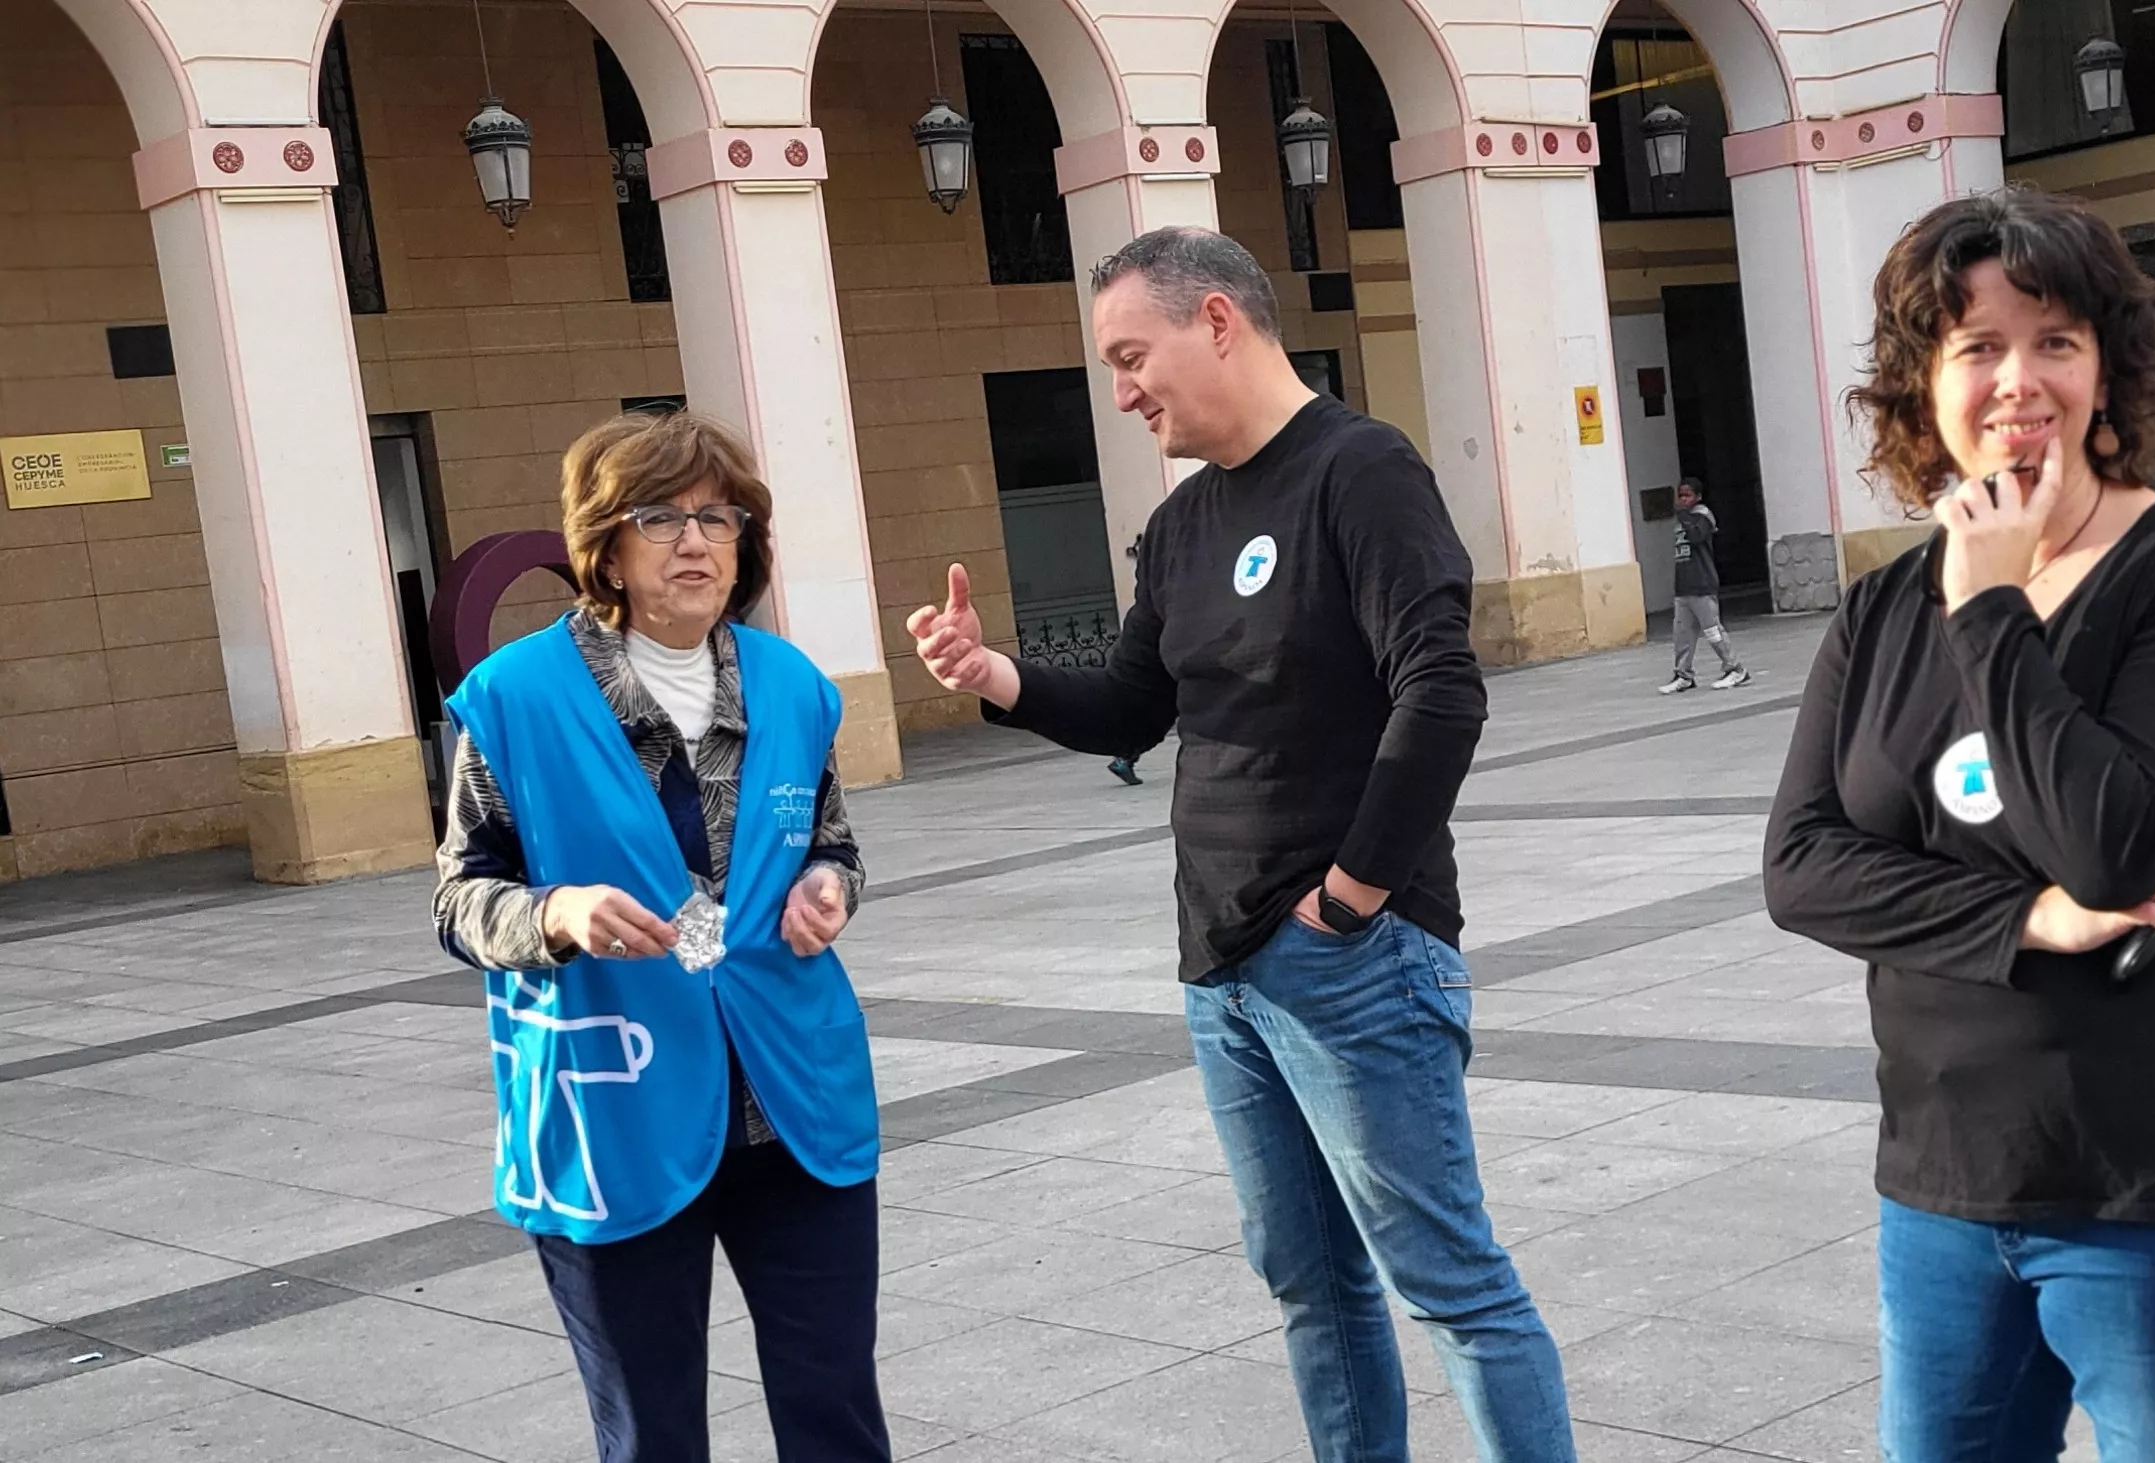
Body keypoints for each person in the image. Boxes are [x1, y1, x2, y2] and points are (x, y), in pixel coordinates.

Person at [906, 227, 1574, 1463]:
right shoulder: (1183, 523)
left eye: (1129, 354)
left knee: (1451, 1282)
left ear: (1216, 318)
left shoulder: (1361, 471)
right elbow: (1129, 707)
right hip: (1222, 973)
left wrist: (1353, 894)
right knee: (1311, 1286)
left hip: (1352, 960)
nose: (1122, 392)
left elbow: (1442, 688)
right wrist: (996, 673)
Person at [1763, 189, 2155, 1463]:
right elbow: (1802, 868)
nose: (2019, 379)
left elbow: (2120, 839)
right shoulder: (1880, 608)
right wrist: (2031, 916)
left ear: (2107, 370)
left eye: (2055, 340)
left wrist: (1991, 613)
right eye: (1976, 347)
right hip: (1947, 1178)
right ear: (1925, 390)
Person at [433, 410, 886, 1463]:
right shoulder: (512, 700)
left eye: (719, 517)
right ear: (607, 545)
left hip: (794, 1107)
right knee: (652, 1431)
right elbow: (461, 898)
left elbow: (834, 844)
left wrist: (830, 889)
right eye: (662, 517)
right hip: (613, 1113)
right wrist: (554, 913)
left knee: (837, 1415)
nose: (697, 541)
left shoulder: (794, 687)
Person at [1660, 477, 1752, 694]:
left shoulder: (1703, 516)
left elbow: (1696, 537)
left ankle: (1735, 668)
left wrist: (1683, 516)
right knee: (1682, 633)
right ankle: (1683, 674)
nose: (1683, 500)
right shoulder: (1683, 519)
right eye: (1680, 495)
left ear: (1698, 497)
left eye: (1687, 495)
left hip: (1702, 585)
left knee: (1712, 631)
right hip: (1684, 587)